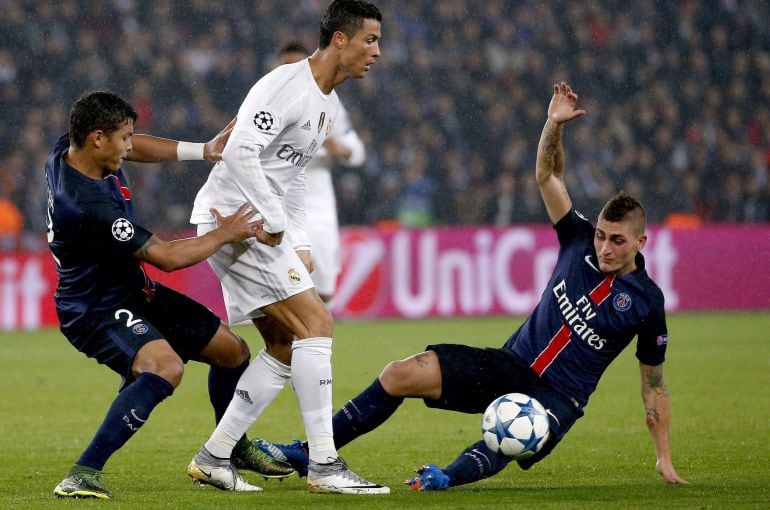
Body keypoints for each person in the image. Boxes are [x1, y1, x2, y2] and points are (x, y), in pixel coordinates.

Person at [255, 83, 689, 490]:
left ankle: (444, 477)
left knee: (514, 434)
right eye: (602, 236)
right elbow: (548, 176)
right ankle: (310, 453)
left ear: (640, 242)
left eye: (617, 241)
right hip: (510, 364)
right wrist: (553, 125)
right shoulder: (579, 240)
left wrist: (664, 457)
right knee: (399, 373)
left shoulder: (647, 302)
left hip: (558, 398)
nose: (605, 248)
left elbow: (654, 385)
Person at [48, 91, 294, 500]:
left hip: (133, 291)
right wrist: (226, 232)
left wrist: (204, 150)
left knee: (232, 352)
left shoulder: (68, 150)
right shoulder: (86, 204)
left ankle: (231, 446)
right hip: (95, 309)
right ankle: (82, 474)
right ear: (97, 138)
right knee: (165, 368)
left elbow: (138, 147)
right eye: (123, 138)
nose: (129, 147)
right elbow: (167, 257)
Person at [186, 0, 387, 495]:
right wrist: (273, 220)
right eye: (370, 40)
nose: (376, 52)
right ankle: (324, 465)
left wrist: (298, 240)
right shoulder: (286, 85)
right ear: (339, 39)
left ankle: (214, 456)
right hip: (236, 222)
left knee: (283, 342)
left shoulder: (327, 102)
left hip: (256, 225)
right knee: (317, 323)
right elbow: (240, 150)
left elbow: (292, 177)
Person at [275, 40, 366, 305]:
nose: (293, 71)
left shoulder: (329, 103)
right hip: (280, 206)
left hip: (318, 207)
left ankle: (314, 330)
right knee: (287, 289)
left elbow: (357, 151)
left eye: (298, 65)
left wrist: (341, 149)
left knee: (324, 290)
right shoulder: (266, 103)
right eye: (287, 65)